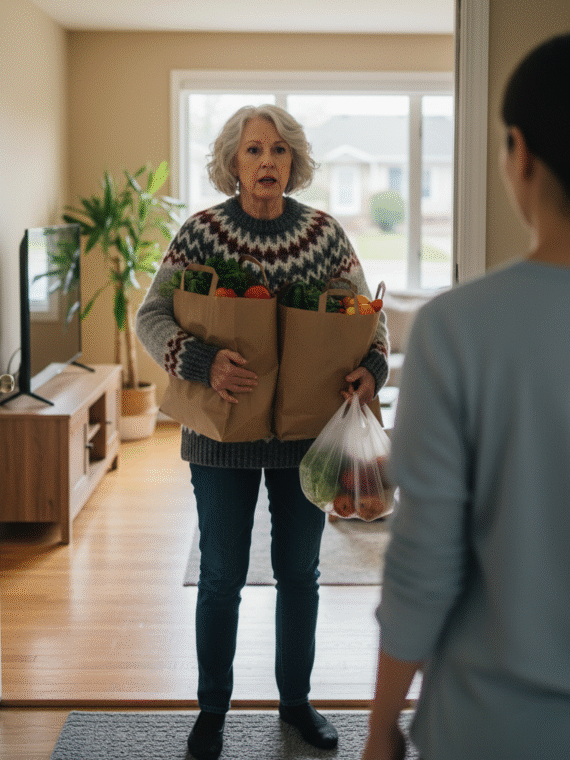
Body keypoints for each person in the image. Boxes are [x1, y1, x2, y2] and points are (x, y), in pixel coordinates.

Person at [362, 31, 570, 760]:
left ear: (520, 152)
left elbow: (424, 562)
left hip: (492, 728)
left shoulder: (456, 328)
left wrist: (382, 727)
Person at [136, 104, 389, 760]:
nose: (267, 161)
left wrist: (372, 368)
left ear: (294, 162)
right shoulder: (200, 233)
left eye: (278, 150)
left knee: (299, 573)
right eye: (253, 150)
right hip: (220, 439)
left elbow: (370, 319)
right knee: (221, 574)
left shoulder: (325, 236)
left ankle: (296, 703)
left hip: (306, 438)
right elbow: (151, 315)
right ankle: (211, 711)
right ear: (233, 162)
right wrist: (200, 361)